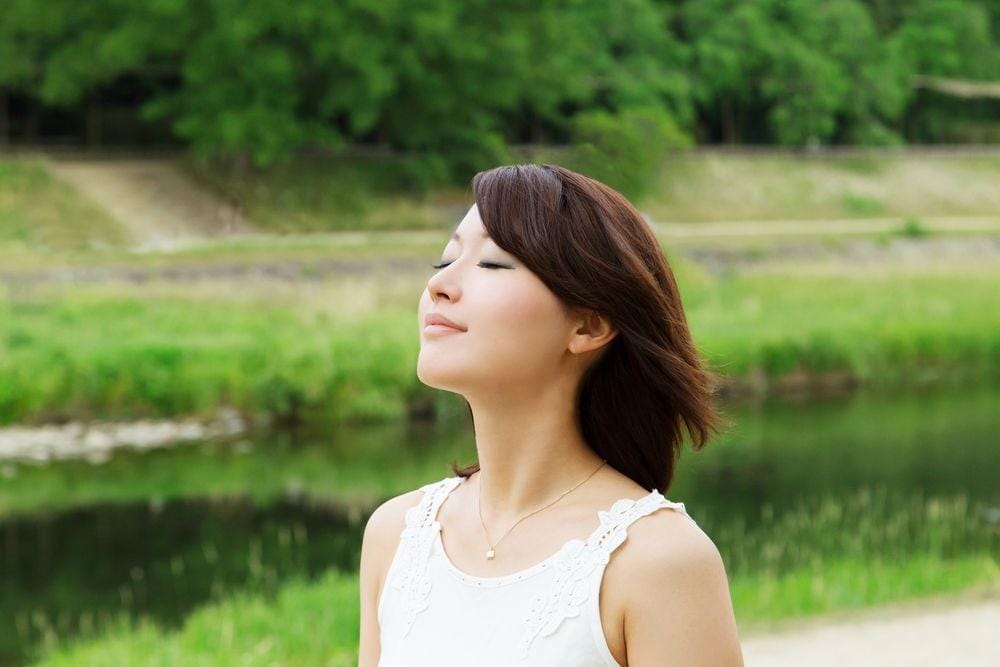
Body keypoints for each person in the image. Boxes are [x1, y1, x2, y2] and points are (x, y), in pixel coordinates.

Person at [359, 164, 744, 666]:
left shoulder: (657, 560)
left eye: (493, 264)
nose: (440, 286)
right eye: (444, 260)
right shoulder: (397, 534)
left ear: (588, 325)